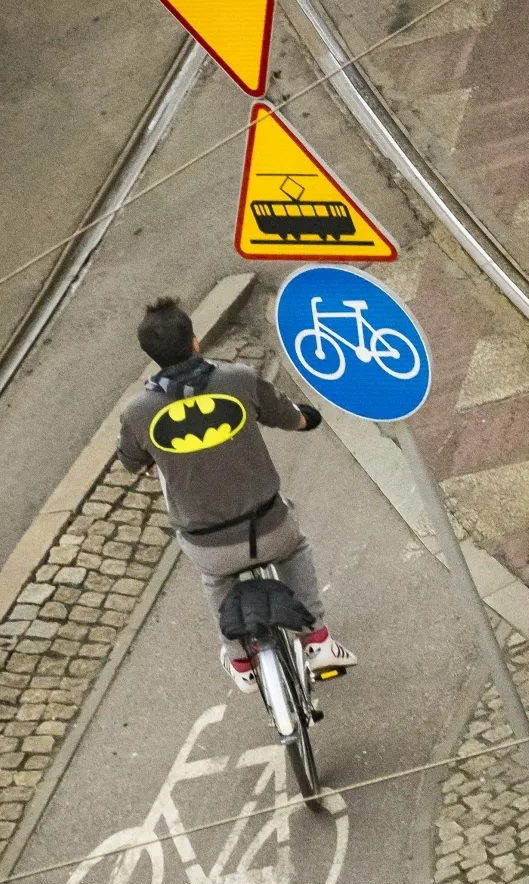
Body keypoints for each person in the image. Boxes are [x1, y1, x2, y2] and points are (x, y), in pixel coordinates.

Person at [116, 296, 357, 693]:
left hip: (209, 545)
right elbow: (287, 416)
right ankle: (317, 641)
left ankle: (241, 660)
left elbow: (130, 459)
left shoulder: (138, 412)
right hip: (269, 525)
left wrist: (148, 460)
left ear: (151, 356)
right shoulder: (238, 379)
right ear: (194, 341)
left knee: (216, 579)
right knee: (294, 549)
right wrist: (305, 419)